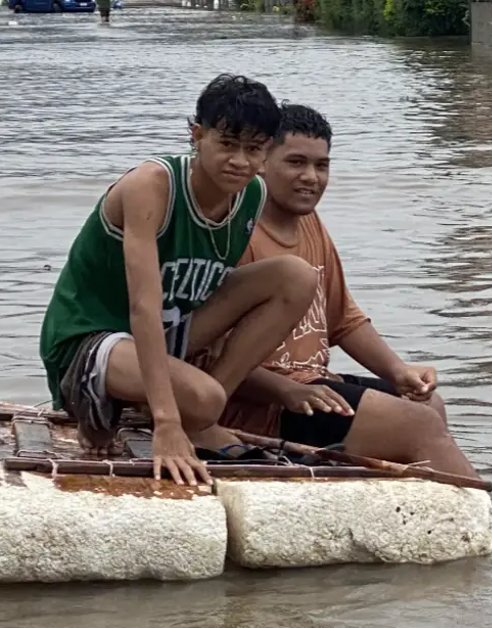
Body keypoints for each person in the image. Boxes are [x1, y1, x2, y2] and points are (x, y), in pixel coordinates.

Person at [38, 74, 319, 487]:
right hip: (92, 338)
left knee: (295, 276)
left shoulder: (252, 194)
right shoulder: (152, 186)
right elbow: (143, 308)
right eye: (227, 144)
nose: (240, 161)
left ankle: (198, 418)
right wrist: (166, 423)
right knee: (203, 397)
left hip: (168, 333)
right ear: (197, 135)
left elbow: (221, 292)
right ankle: (127, 404)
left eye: (254, 149)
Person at [187, 104, 480, 480]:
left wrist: (400, 370)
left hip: (312, 387)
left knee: (428, 404)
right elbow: (205, 357)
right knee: (418, 426)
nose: (310, 177)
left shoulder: (310, 225)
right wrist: (283, 391)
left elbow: (343, 320)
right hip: (262, 405)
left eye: (321, 165)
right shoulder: (233, 235)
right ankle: (484, 517)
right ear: (261, 161)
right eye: (295, 163)